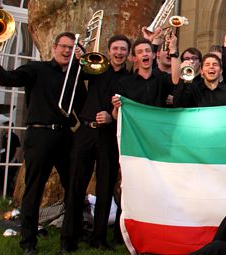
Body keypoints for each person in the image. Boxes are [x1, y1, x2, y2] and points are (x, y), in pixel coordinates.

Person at [0, 31, 82, 254]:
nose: (66, 51)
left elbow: (82, 105)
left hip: (66, 136)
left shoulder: (76, 75)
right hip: (39, 135)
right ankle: (28, 243)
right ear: (54, 48)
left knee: (73, 188)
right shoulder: (37, 69)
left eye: (71, 48)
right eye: (63, 46)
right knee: (33, 190)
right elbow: (6, 79)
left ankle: (68, 242)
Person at [61, 34, 133, 252]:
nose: (119, 53)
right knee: (75, 186)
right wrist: (79, 57)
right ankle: (68, 239)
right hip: (86, 132)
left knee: (105, 188)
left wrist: (112, 117)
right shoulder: (97, 67)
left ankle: (99, 238)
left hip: (109, 135)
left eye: (123, 49)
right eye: (115, 49)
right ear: (109, 51)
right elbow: (73, 78)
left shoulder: (130, 79)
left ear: (128, 54)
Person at [112, 30, 174, 118]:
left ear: (153, 55)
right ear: (134, 58)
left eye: (147, 51)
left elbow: (175, 80)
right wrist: (116, 107)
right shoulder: (125, 83)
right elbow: (116, 116)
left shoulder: (162, 78)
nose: (145, 54)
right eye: (140, 52)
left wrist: (174, 50)